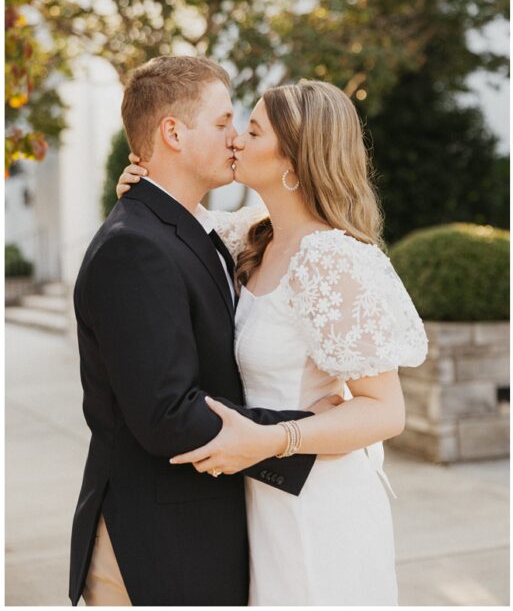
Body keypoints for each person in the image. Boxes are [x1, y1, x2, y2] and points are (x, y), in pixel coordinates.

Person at [117, 78, 428, 604]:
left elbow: (384, 412)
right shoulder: (252, 236)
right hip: (260, 498)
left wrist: (273, 440)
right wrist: (139, 186)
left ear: (294, 158)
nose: (235, 139)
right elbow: (175, 223)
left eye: (253, 130)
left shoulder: (330, 259)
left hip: (319, 500)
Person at [70, 56, 325, 606]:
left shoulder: (195, 228)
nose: (235, 139)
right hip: (158, 547)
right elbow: (166, 415)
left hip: (197, 530)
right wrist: (311, 435)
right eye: (222, 122)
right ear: (173, 133)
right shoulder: (133, 247)